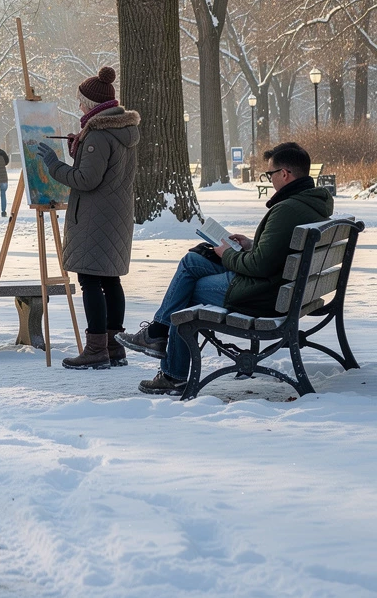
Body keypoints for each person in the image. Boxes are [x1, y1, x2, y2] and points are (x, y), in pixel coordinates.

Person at [118, 141, 334, 394]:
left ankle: (170, 369)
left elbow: (258, 265)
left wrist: (227, 253)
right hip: (281, 287)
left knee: (187, 292)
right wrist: (252, 244)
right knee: (193, 262)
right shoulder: (311, 203)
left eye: (270, 174)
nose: (269, 179)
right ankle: (157, 333)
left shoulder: (286, 209)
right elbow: (280, 251)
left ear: (284, 174)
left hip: (263, 294)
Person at [36, 66, 140, 370]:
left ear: (92, 106)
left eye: (82, 102)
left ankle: (96, 350)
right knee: (110, 280)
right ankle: (114, 347)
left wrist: (54, 164)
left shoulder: (98, 134)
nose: (79, 107)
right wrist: (79, 148)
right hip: (116, 214)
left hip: (96, 217)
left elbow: (86, 179)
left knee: (91, 280)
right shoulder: (121, 130)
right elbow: (103, 170)